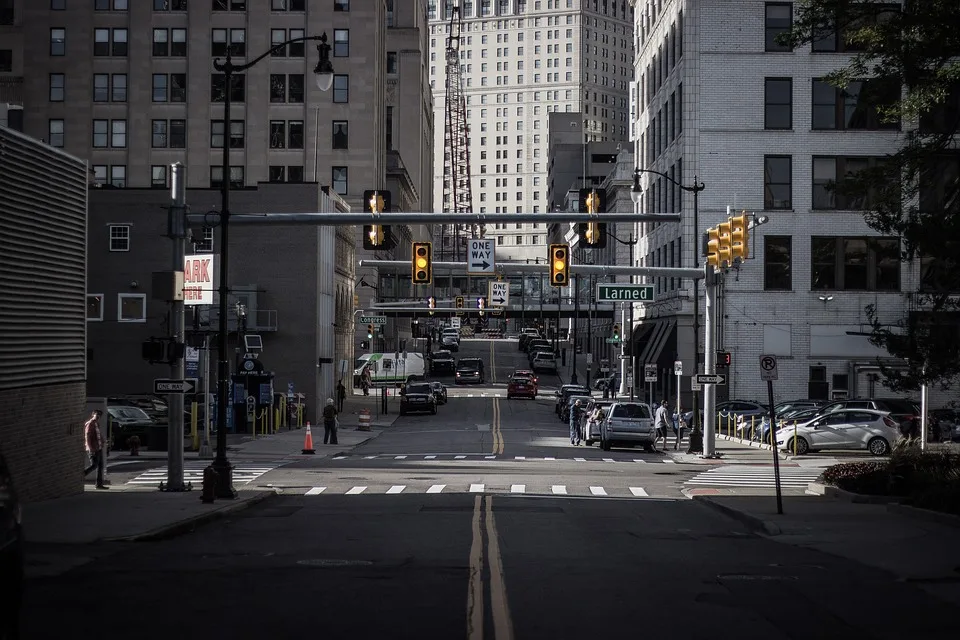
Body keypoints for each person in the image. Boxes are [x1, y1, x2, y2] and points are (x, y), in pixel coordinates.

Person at [83, 409, 108, 489]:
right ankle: (82, 475)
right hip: (93, 448)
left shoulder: (96, 424)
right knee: (94, 465)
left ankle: (99, 484)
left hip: (98, 447)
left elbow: (98, 434)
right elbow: (87, 436)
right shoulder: (90, 424)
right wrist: (90, 448)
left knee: (100, 466)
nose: (98, 417)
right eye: (97, 415)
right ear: (93, 414)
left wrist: (103, 440)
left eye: (99, 416)